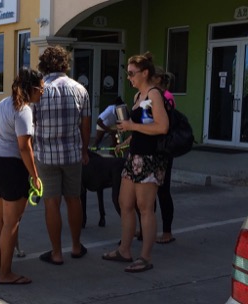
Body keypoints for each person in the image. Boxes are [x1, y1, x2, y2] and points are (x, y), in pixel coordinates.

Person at [102, 52, 169, 272]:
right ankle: (125, 250)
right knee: (125, 203)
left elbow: (161, 127)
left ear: (145, 73)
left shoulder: (153, 95)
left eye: (132, 73)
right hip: (135, 156)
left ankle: (145, 257)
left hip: (150, 159)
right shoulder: (139, 96)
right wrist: (128, 140)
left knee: (145, 208)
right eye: (128, 73)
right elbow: (144, 127)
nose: (129, 77)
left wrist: (132, 127)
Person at [33, 45, 91, 265]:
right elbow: (86, 126)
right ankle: (76, 247)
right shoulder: (79, 89)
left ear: (43, 65)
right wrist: (84, 150)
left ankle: (56, 253)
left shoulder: (38, 90)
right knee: (73, 199)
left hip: (45, 156)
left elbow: (31, 124)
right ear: (65, 64)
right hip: (72, 155)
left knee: (51, 203)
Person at [0, 68, 43, 285]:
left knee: (1, 219)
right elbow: (24, 147)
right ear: (32, 89)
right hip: (11, 168)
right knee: (12, 223)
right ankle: (5, 274)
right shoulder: (23, 110)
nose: (43, 93)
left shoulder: (2, 104)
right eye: (41, 89)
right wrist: (35, 175)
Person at [153, 67, 176, 244]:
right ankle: (148, 227)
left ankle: (167, 231)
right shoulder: (153, 95)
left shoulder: (164, 97)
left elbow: (157, 123)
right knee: (149, 191)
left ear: (158, 79)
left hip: (162, 150)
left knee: (162, 191)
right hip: (153, 148)